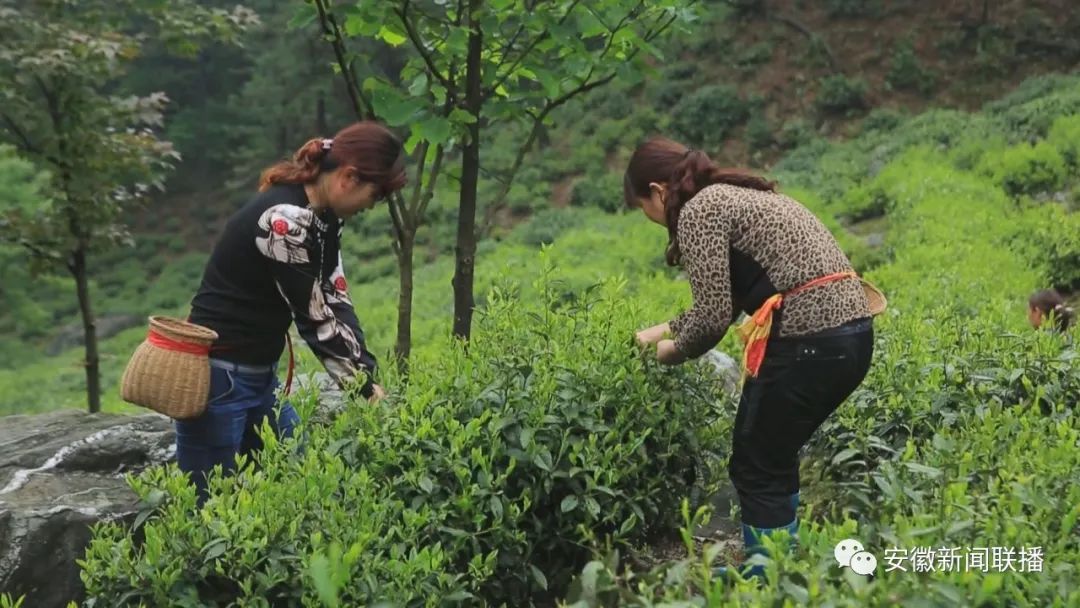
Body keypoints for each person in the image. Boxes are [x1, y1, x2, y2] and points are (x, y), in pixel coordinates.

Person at [626, 137, 875, 580]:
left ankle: (766, 575)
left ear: (658, 190)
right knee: (773, 450)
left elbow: (712, 318)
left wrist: (669, 352)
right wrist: (662, 329)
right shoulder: (739, 197)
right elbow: (732, 299)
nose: (649, 219)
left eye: (643, 207)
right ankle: (779, 563)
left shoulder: (700, 211)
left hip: (808, 338)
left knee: (755, 457)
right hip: (852, 335)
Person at [179, 121, 407, 504]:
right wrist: (363, 390)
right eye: (374, 195)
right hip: (221, 378)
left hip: (256, 377)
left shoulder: (323, 217)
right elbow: (314, 319)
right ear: (348, 178)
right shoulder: (285, 221)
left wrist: (365, 369)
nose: (370, 206)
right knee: (206, 504)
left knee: (298, 474)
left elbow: (335, 296)